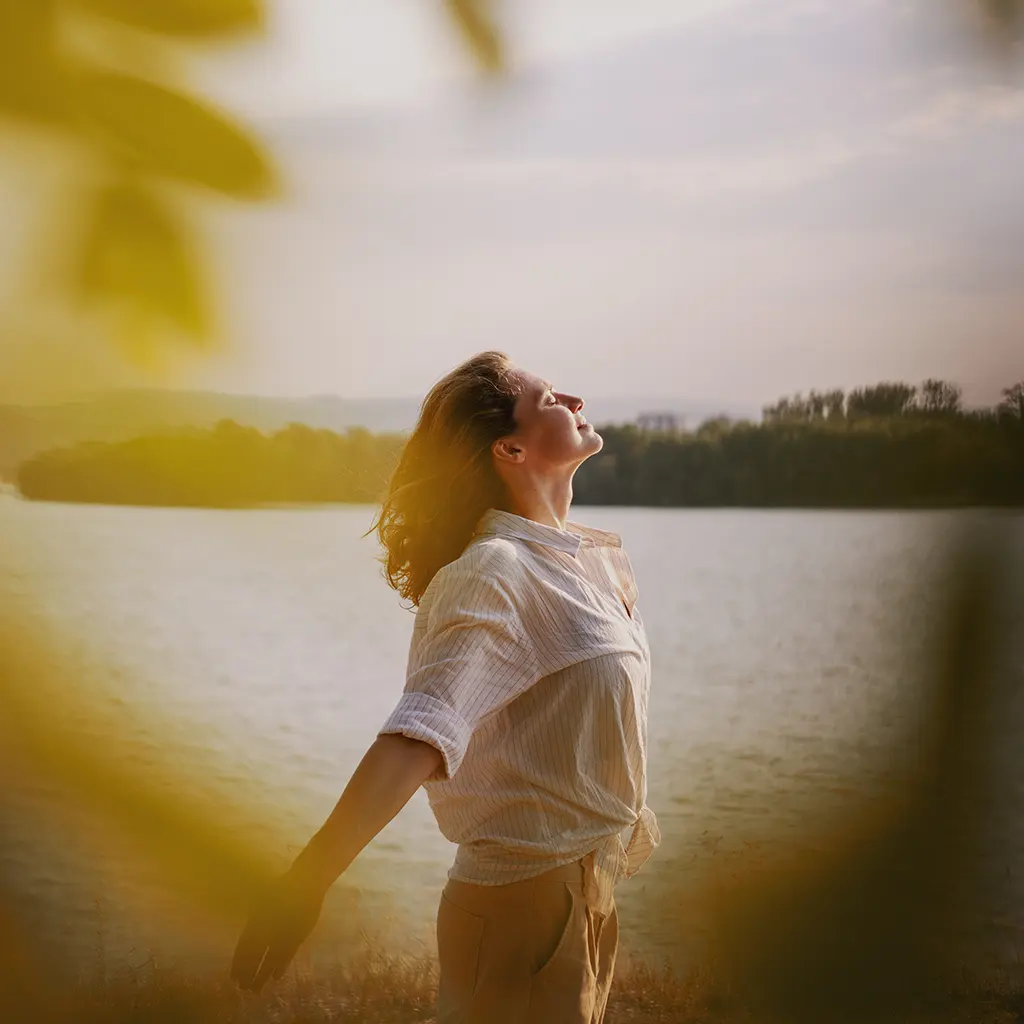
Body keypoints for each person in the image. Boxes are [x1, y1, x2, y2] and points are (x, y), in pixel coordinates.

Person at [230, 351, 659, 1023]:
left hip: (586, 900)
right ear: (510, 447)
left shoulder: (587, 568)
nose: (574, 399)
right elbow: (422, 730)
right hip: (522, 910)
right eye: (549, 397)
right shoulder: (496, 570)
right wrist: (309, 878)